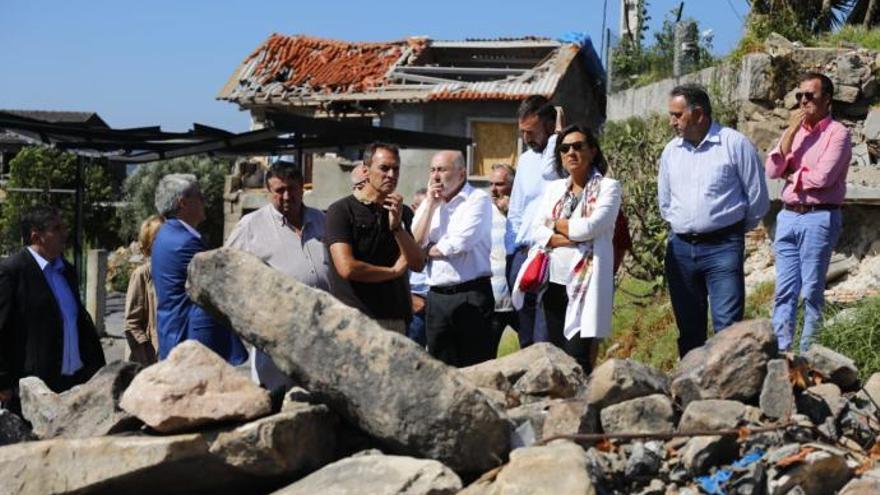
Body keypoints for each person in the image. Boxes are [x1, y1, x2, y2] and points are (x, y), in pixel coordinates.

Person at [658, 84, 769, 358]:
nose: (672, 121)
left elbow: (757, 199)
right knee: (689, 329)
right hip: (681, 249)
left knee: (727, 328)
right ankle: (689, 391)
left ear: (698, 114)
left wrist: (730, 233)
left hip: (722, 248)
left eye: (677, 115)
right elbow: (665, 202)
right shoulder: (671, 152)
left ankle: (727, 392)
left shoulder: (734, 144)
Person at [512, 125, 621, 372]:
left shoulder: (608, 188)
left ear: (592, 151)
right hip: (553, 283)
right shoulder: (555, 189)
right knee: (555, 356)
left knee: (578, 357)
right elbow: (537, 230)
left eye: (577, 146)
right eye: (564, 148)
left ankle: (580, 409)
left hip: (586, 284)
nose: (570, 152)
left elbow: (590, 227)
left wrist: (553, 225)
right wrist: (563, 235)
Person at [226, 161, 330, 392]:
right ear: (268, 192)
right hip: (276, 335)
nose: (286, 196)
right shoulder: (250, 226)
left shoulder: (323, 221)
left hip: (321, 333)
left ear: (302, 188)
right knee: (274, 399)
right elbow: (229, 273)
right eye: (279, 190)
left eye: (292, 189)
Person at [766, 72, 851, 352]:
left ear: (826, 99)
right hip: (788, 216)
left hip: (819, 216)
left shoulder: (837, 133)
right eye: (799, 96)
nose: (803, 101)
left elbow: (824, 178)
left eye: (809, 96)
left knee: (812, 290)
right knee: (784, 291)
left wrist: (792, 175)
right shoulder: (795, 134)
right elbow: (771, 170)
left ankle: (809, 354)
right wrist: (789, 133)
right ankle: (781, 353)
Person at [0, 206, 105, 413]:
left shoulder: (66, 271)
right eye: (56, 229)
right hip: (33, 389)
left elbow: (76, 320)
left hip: (75, 382)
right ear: (36, 236)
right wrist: (2, 382)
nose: (64, 234)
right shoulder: (12, 272)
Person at [325, 143, 425, 333]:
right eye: (384, 168)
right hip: (355, 321)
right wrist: (392, 272)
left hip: (396, 320)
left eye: (396, 169)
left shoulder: (402, 212)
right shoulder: (341, 211)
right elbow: (347, 267)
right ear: (365, 170)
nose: (391, 175)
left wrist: (396, 228)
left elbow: (417, 263)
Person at [152, 173, 247, 364]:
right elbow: (219, 283)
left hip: (177, 334)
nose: (204, 201)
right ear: (182, 203)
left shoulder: (168, 234)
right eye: (199, 196)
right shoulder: (185, 242)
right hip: (192, 341)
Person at [413, 150, 494, 367]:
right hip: (437, 298)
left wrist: (426, 249)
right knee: (440, 366)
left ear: (461, 173)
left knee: (475, 366)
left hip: (470, 294)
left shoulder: (478, 200)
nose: (435, 176)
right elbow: (414, 240)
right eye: (432, 170)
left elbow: (458, 244)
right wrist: (430, 205)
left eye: (442, 170)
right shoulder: (429, 203)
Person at [507, 95, 565, 348]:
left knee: (545, 339)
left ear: (551, 126)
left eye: (531, 132)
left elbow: (550, 171)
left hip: (550, 254)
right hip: (522, 255)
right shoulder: (526, 159)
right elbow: (516, 209)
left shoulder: (564, 155)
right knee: (526, 338)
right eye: (522, 132)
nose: (526, 138)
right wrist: (512, 252)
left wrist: (559, 137)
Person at [123, 214, 163, 365]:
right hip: (151, 360)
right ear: (149, 244)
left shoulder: (175, 272)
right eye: (158, 237)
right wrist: (147, 357)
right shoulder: (142, 275)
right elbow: (132, 323)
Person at [488, 163, 517, 353]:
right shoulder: (483, 212)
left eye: (499, 184)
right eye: (491, 184)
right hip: (493, 299)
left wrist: (510, 212)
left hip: (518, 297)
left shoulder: (520, 212)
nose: (493, 189)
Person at [407, 188, 429, 347]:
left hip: (437, 302)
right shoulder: (405, 234)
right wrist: (410, 299)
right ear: (414, 209)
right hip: (416, 304)